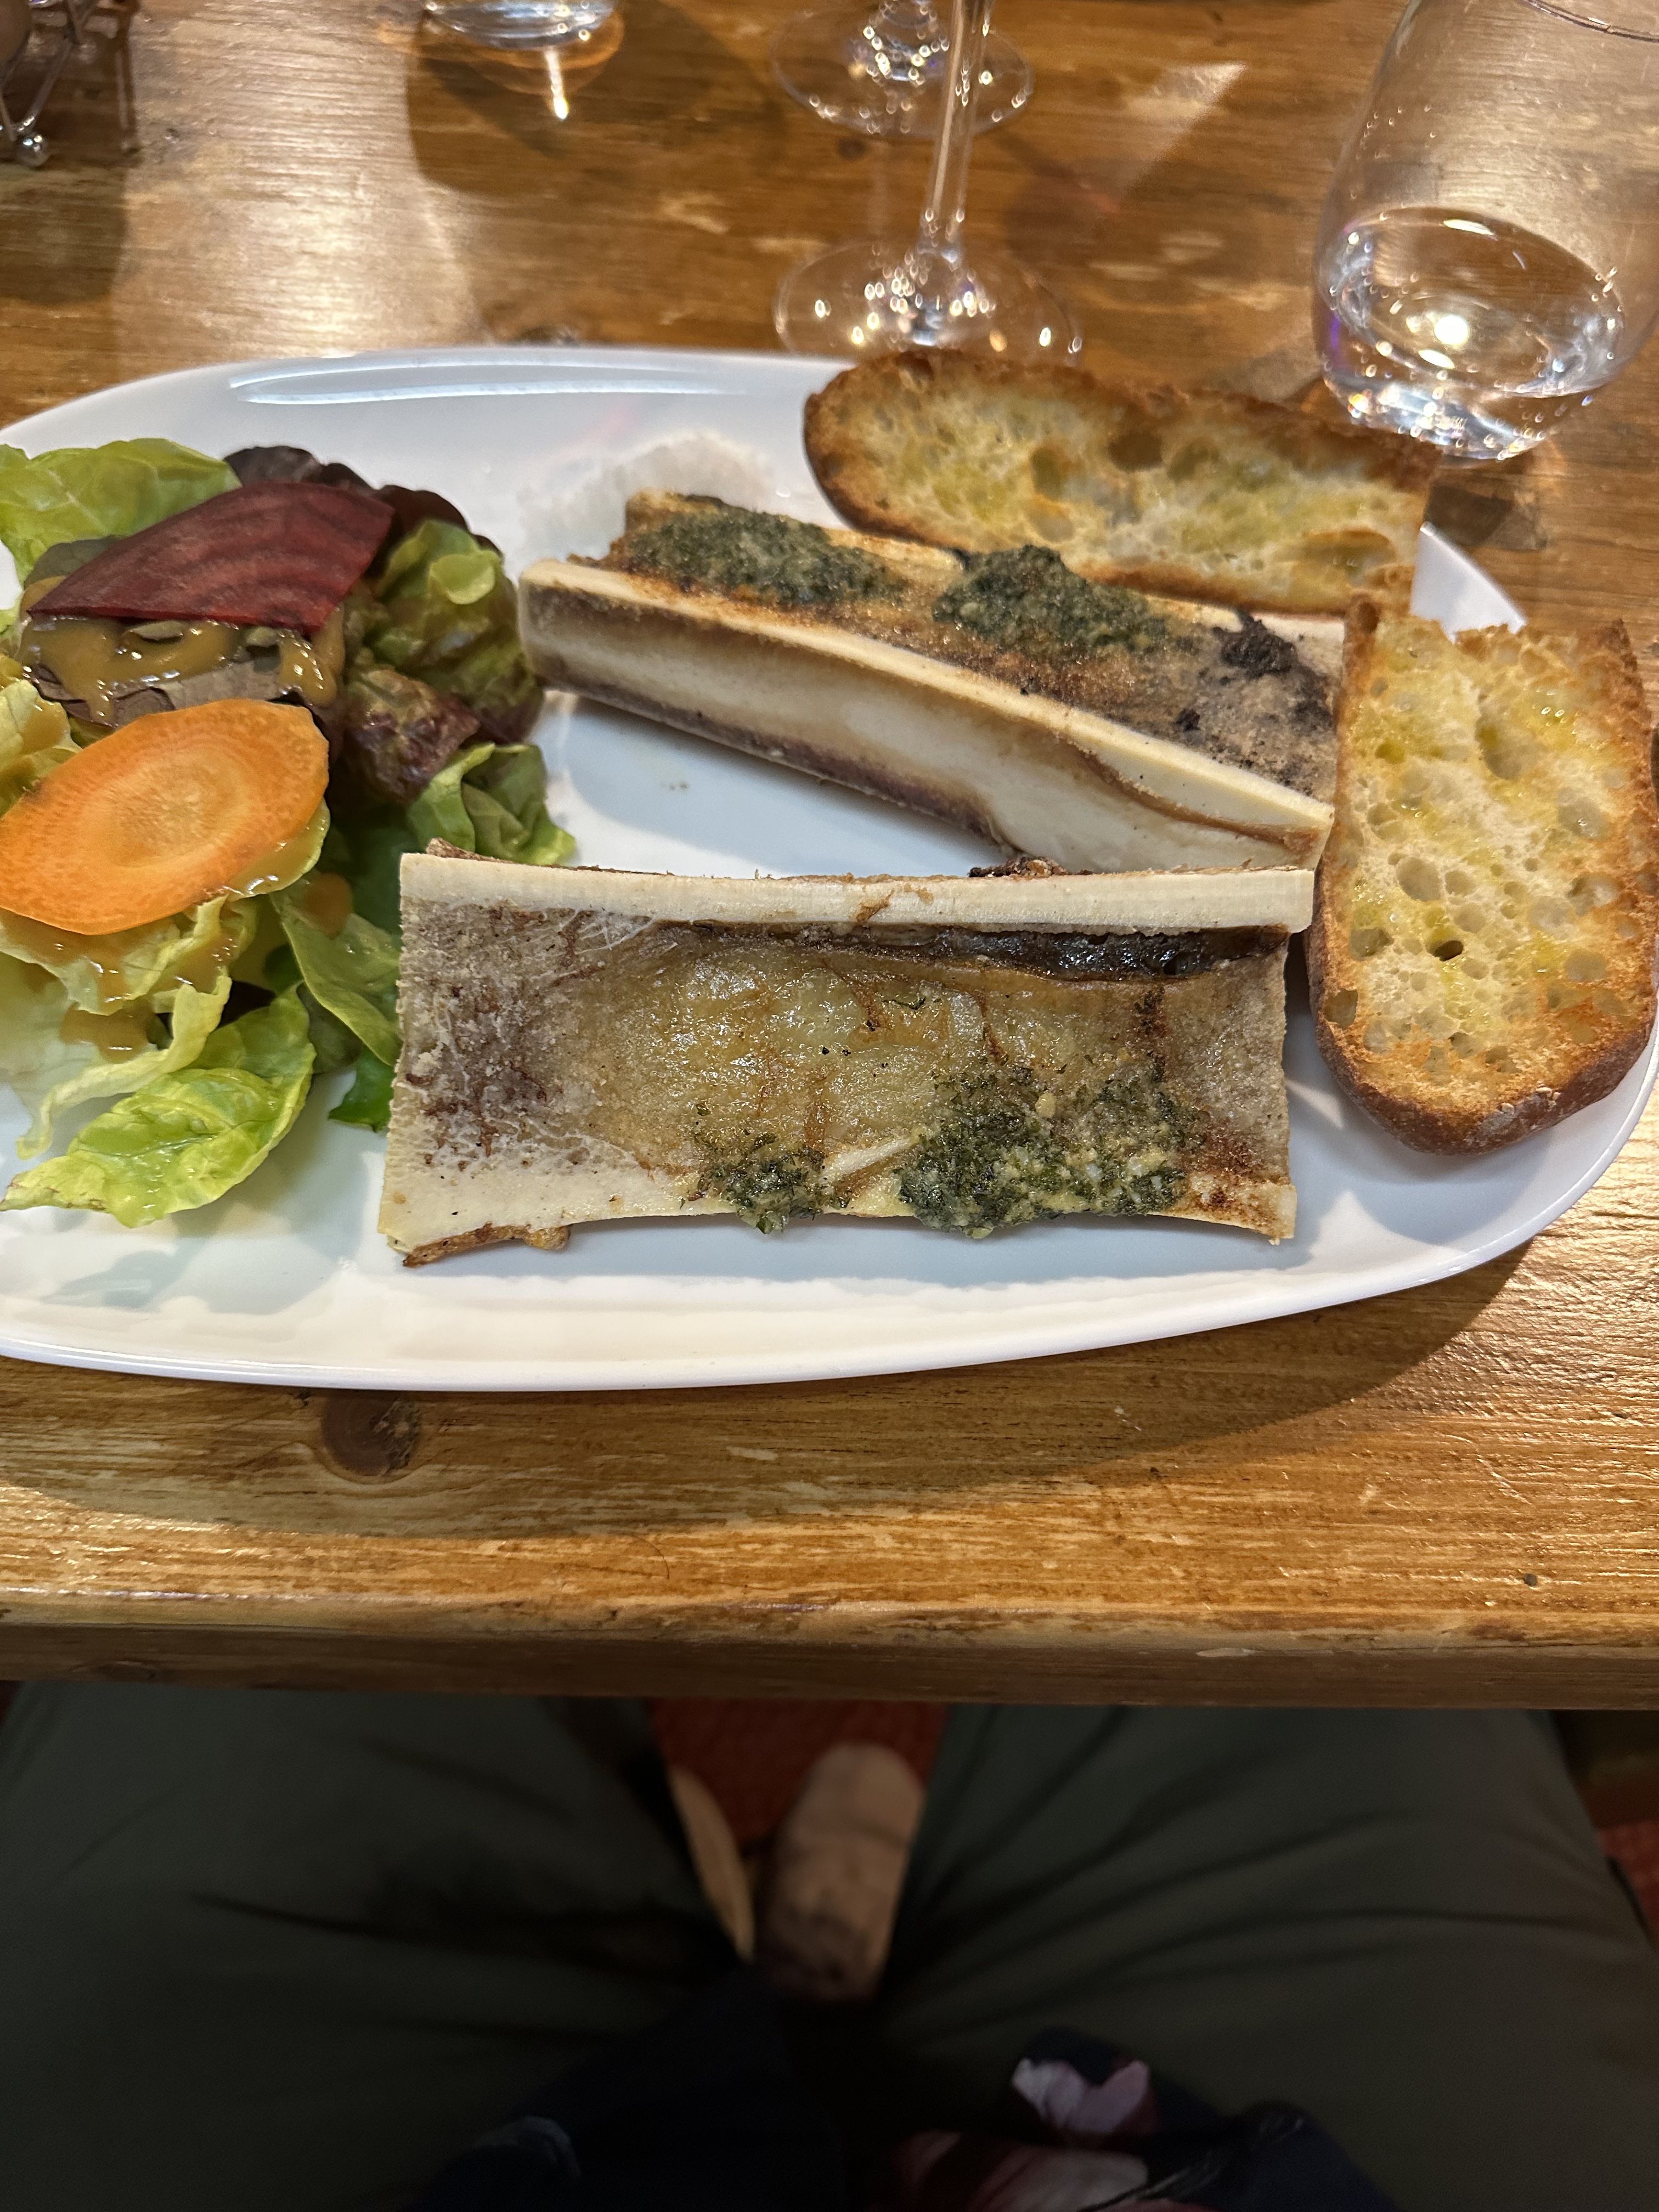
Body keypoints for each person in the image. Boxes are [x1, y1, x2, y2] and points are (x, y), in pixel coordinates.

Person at [0, 1688, 1656, 2211]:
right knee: (1327, 1622)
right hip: (1208, 2166)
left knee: (221, 1669)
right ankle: (798, 1992)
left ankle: (760, 1976)